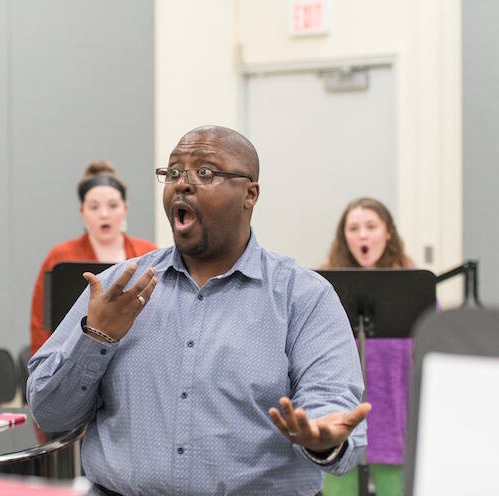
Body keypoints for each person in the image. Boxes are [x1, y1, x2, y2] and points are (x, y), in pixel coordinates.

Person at [28, 126, 370, 495]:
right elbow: (49, 414)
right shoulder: (118, 288)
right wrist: (95, 337)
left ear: (249, 194)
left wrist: (322, 439)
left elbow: (329, 404)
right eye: (173, 173)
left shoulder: (303, 296)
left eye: (204, 173)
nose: (183, 184)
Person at [322, 198, 414, 496]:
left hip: (394, 420)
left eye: (371, 227)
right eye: (354, 228)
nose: (363, 235)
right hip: (340, 422)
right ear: (344, 237)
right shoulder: (323, 289)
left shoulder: (412, 286)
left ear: (388, 233)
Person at [29, 161, 157, 356]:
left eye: (113, 206)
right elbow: (41, 325)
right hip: (74, 355)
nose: (104, 214)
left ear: (125, 208)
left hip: (133, 356)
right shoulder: (60, 256)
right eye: (94, 207)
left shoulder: (148, 253)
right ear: (82, 212)